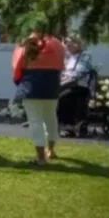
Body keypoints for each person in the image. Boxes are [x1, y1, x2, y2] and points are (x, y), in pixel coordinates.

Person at [12, 32, 65, 166]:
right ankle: (51, 150)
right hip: (52, 84)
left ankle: (41, 157)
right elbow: (61, 65)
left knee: (35, 121)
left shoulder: (26, 42)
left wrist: (18, 82)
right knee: (51, 117)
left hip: (31, 85)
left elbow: (17, 66)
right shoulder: (57, 43)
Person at [57, 35, 95, 135]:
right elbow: (62, 70)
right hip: (66, 83)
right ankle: (56, 123)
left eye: (69, 43)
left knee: (64, 96)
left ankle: (68, 125)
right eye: (66, 43)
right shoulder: (67, 56)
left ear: (77, 44)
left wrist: (63, 81)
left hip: (80, 86)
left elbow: (78, 73)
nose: (67, 46)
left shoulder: (85, 55)